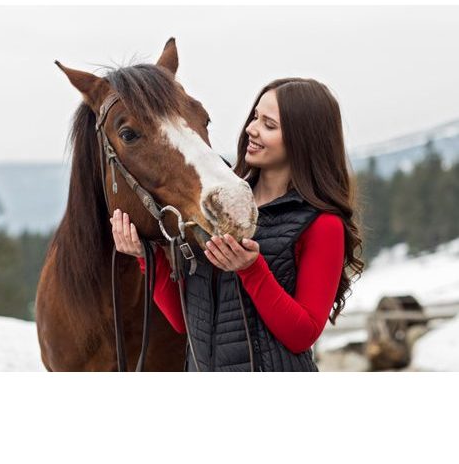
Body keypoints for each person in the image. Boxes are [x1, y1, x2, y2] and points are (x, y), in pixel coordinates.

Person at [110, 77, 364, 371]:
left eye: (269, 125)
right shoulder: (213, 207)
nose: (251, 129)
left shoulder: (322, 224)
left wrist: (250, 270)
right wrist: (147, 258)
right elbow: (185, 322)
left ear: (302, 139)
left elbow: (302, 335)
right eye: (255, 117)